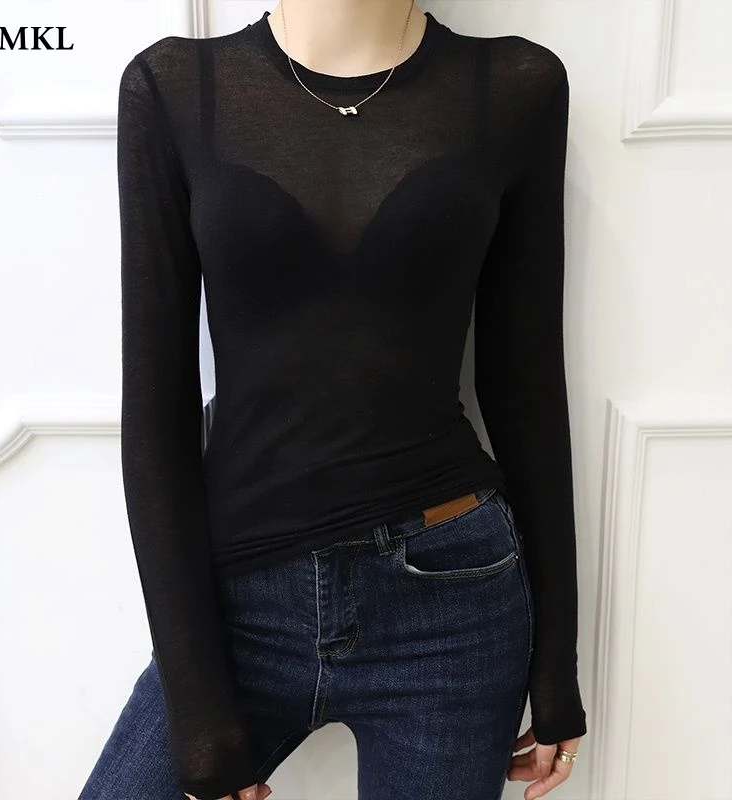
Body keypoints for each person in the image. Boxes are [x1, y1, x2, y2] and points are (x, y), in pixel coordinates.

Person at [78, 1, 587, 798]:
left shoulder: (514, 86)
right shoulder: (176, 87)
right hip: (242, 601)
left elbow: (525, 386)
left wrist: (556, 664)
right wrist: (199, 715)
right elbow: (157, 412)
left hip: (450, 599)